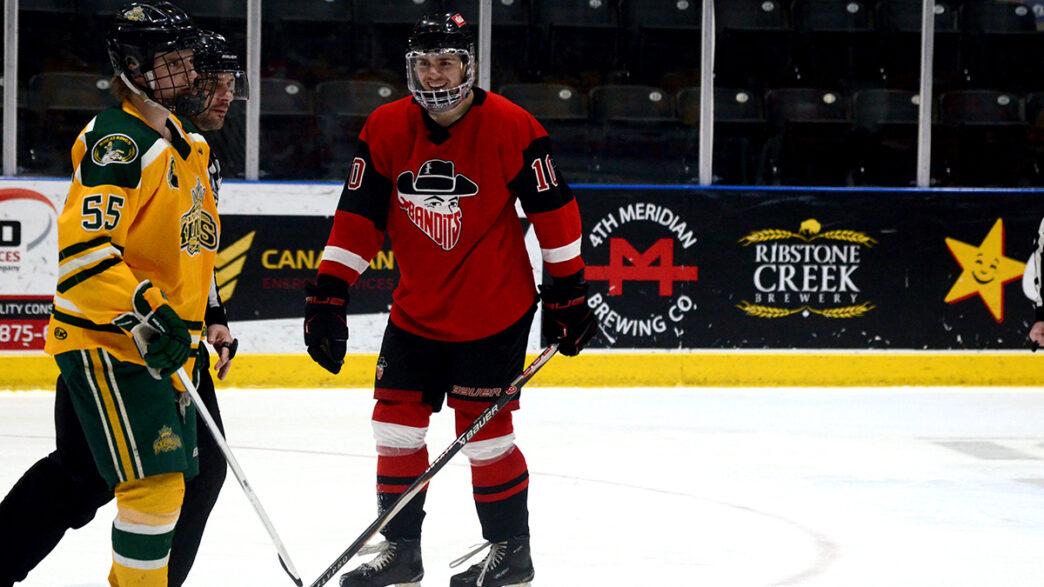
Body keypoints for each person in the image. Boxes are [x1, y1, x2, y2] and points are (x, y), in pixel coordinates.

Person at [303, 12, 596, 587]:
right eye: (424, 63)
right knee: (394, 428)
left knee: (486, 434)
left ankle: (511, 552)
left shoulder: (512, 125)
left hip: (495, 309)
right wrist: (329, 294)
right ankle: (400, 552)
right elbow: (359, 217)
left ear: (469, 66)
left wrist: (568, 292)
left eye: (446, 62)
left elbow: (555, 213)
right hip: (416, 309)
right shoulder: (386, 126)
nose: (434, 75)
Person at [0, 4, 233, 586]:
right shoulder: (120, 143)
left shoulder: (190, 147)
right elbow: (85, 255)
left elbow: (190, 251)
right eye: (174, 63)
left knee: (100, 476)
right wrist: (154, 315)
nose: (191, 75)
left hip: (163, 345)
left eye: (189, 62)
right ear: (134, 68)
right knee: (153, 485)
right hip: (115, 341)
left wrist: (209, 315)